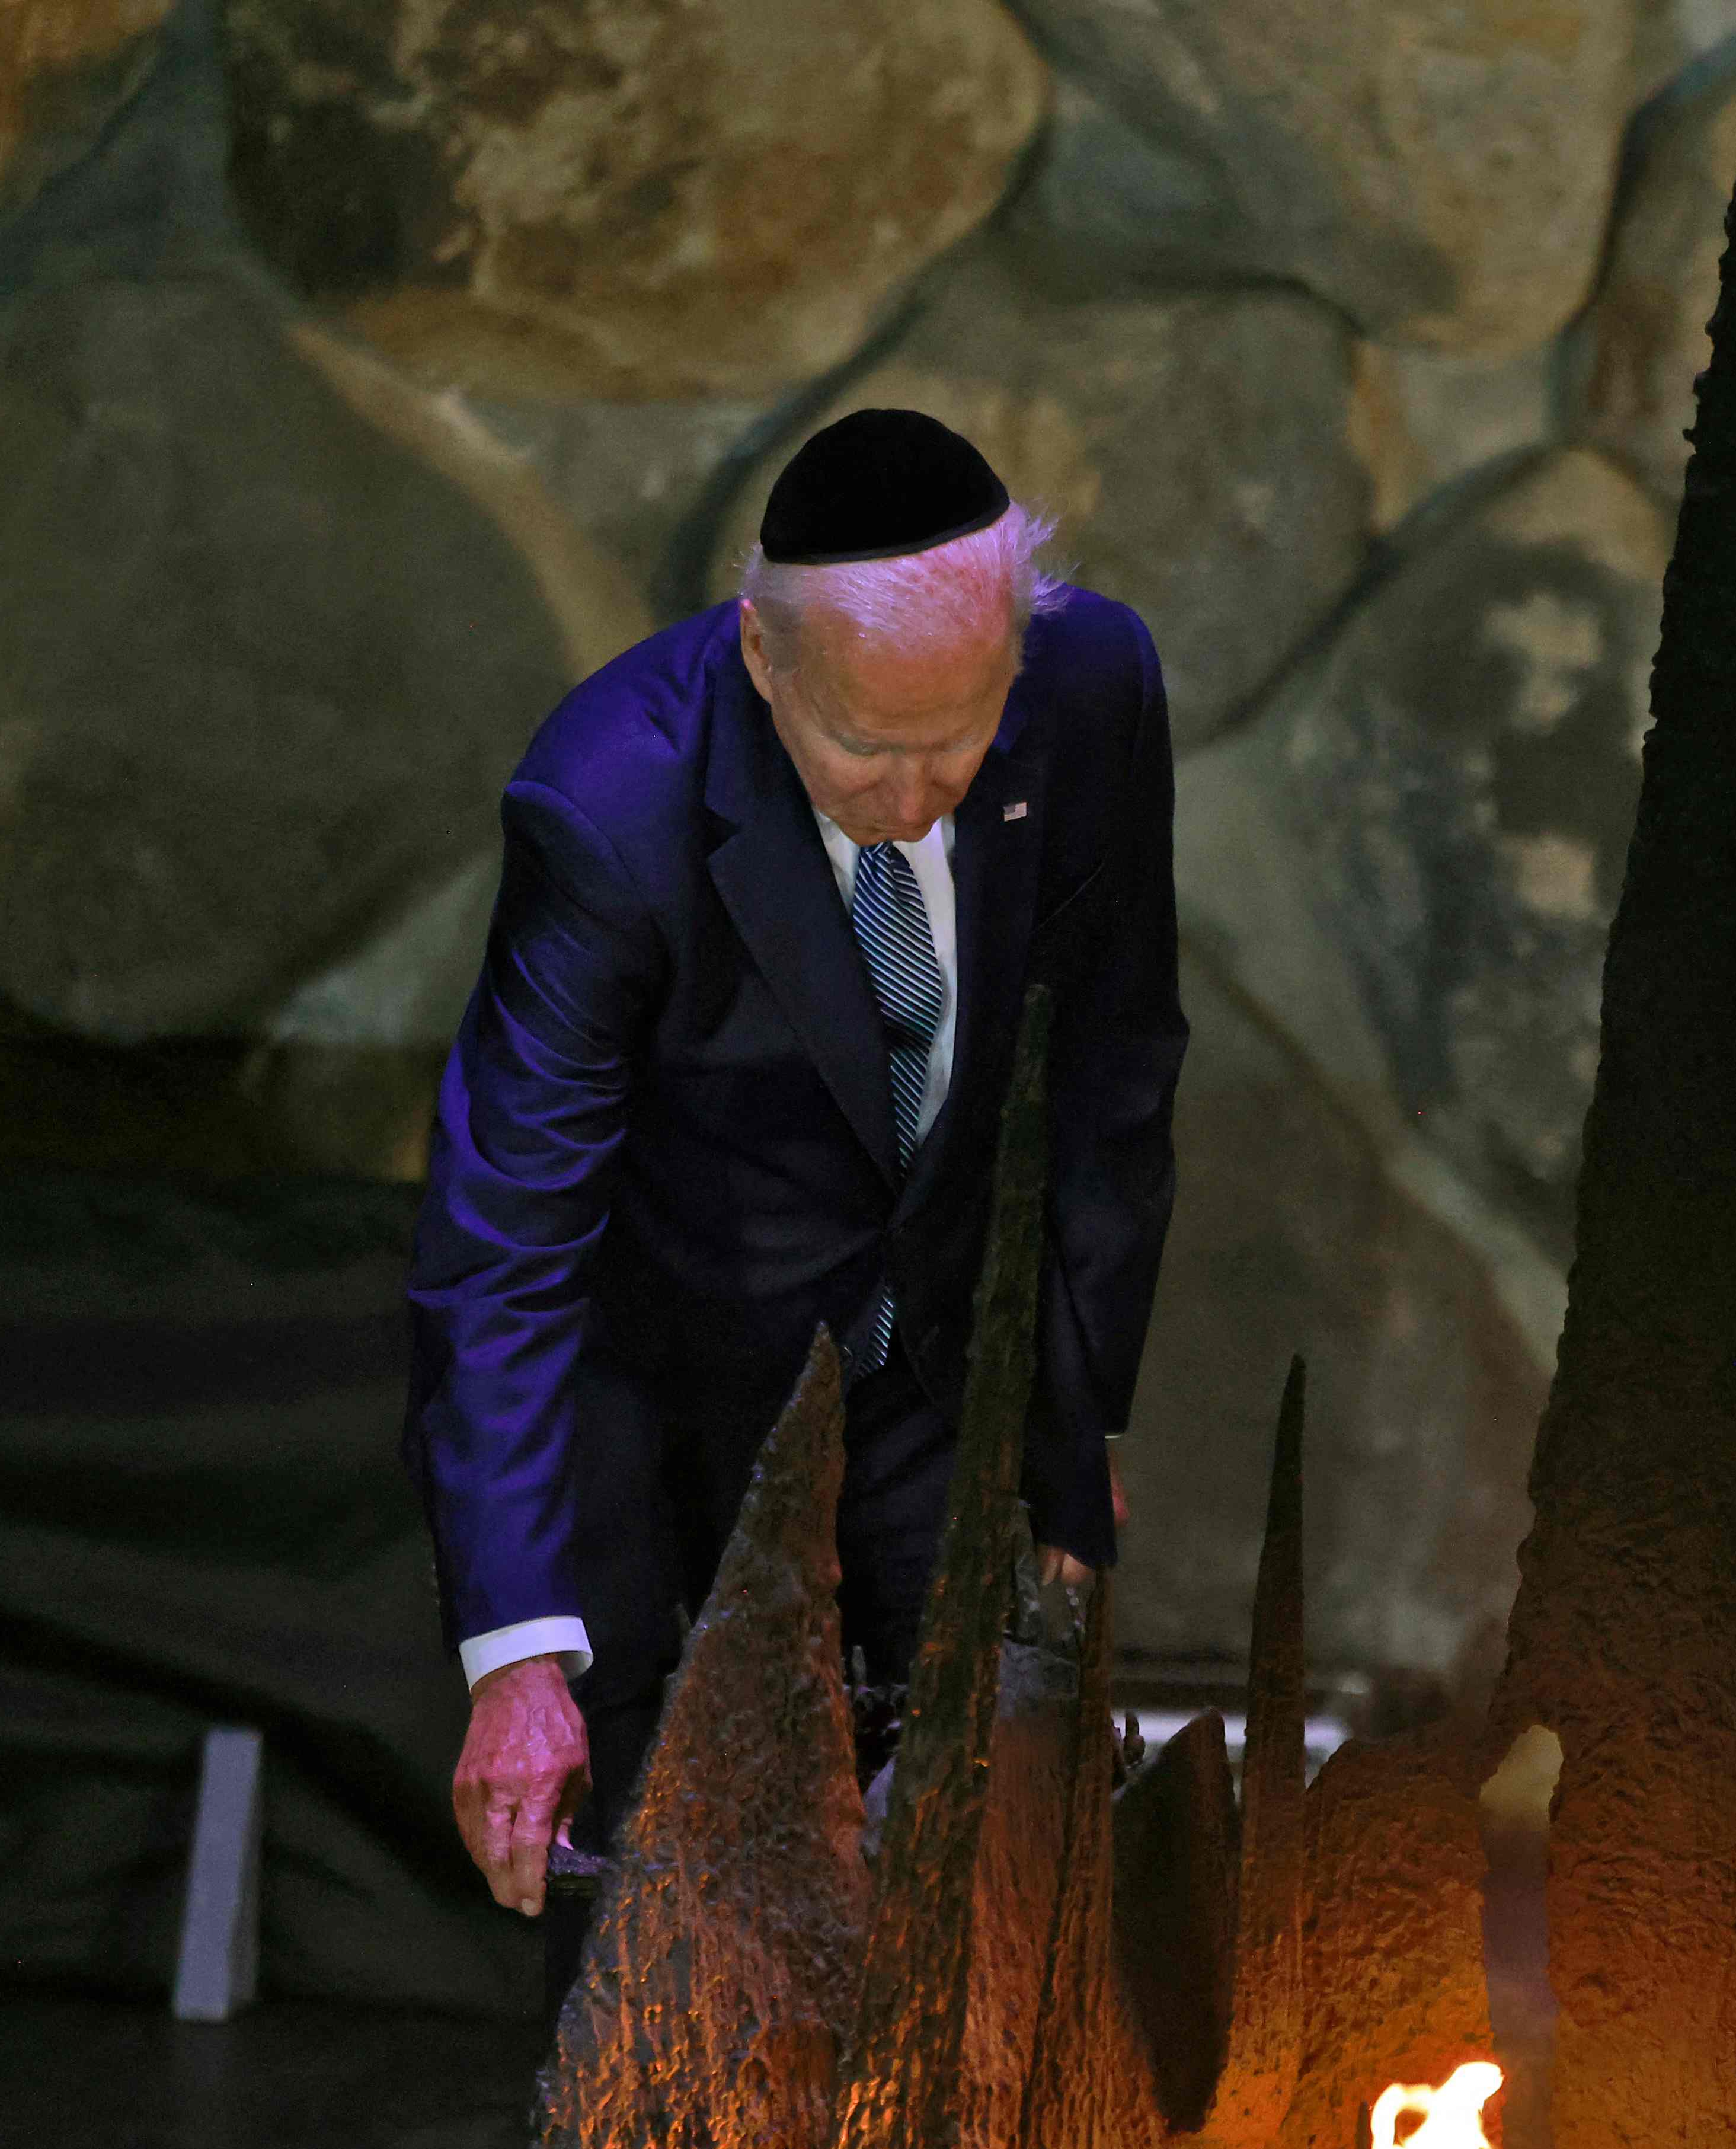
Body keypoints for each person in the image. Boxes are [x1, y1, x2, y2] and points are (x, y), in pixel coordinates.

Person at [405, 408, 1187, 1937]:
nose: (914, 800)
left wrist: (1073, 1419)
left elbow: (1111, 1073)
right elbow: (503, 1243)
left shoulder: (1098, 688)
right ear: (765, 663)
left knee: (973, 1882)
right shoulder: (608, 804)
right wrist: (517, 1659)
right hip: (658, 1377)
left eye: (956, 742)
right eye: (862, 751)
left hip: (927, 1359)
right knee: (644, 1936)